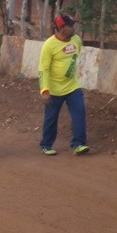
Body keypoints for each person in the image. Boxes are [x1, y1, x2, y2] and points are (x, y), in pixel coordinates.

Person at [38, 14, 89, 156]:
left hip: (72, 87)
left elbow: (74, 57)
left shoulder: (76, 40)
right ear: (61, 28)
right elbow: (43, 69)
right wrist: (45, 90)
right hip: (53, 90)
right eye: (70, 25)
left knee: (79, 112)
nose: (74, 28)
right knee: (51, 118)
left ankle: (79, 144)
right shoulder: (49, 45)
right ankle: (46, 145)